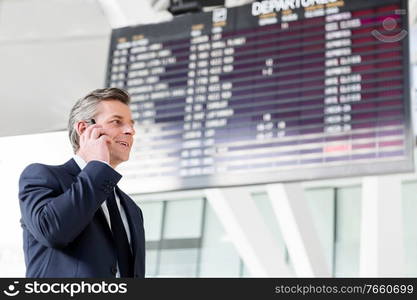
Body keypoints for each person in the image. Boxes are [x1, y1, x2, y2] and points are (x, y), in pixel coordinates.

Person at [18, 88, 145, 278]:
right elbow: (52, 232)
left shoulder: (132, 208)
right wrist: (97, 165)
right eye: (117, 122)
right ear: (85, 129)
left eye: (130, 124)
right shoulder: (42, 176)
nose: (130, 131)